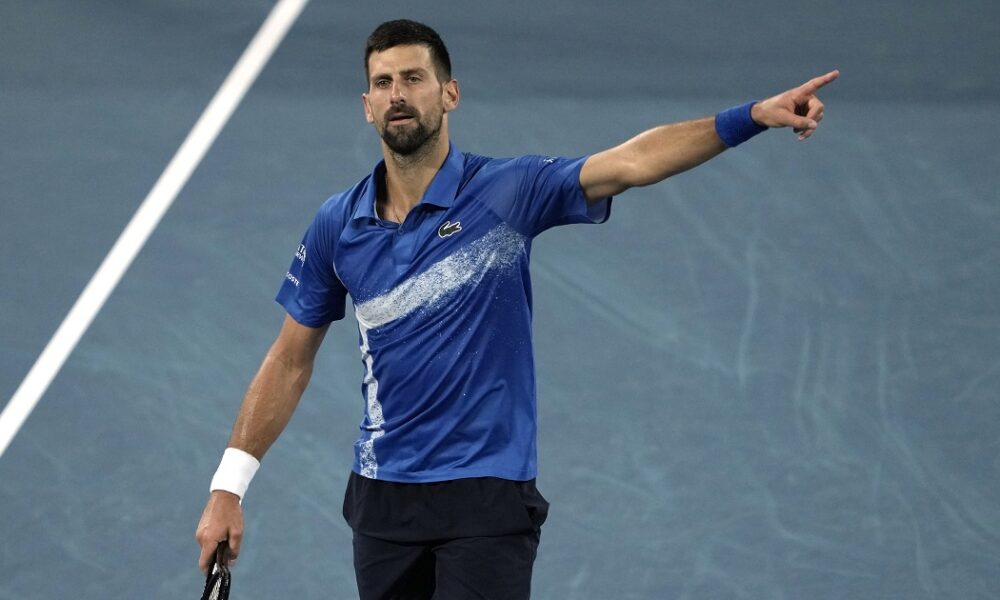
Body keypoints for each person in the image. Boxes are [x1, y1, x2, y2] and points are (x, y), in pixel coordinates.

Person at [195, 18, 838, 600]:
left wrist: (751, 116)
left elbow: (635, 161)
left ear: (449, 94)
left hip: (486, 494)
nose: (398, 93)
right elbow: (288, 360)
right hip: (383, 498)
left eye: (414, 78)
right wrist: (229, 486)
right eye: (383, 82)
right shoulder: (339, 224)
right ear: (367, 106)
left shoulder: (509, 191)